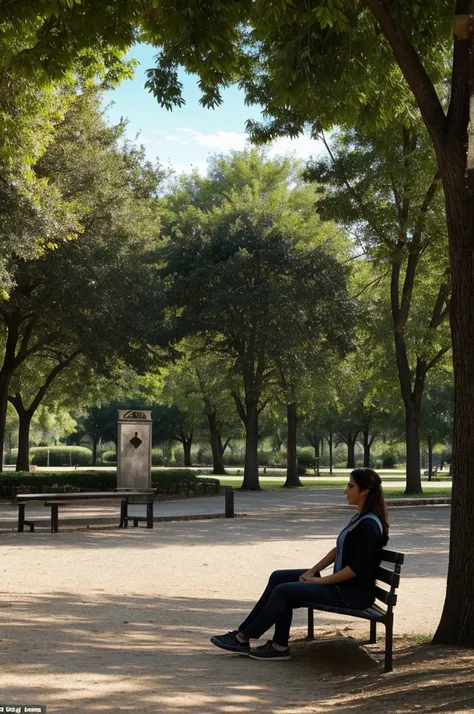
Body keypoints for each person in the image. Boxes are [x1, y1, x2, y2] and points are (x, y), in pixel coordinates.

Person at [210, 467, 389, 661]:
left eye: (350, 485)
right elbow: (338, 550)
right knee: (279, 577)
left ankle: (245, 638)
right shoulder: (360, 518)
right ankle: (265, 642)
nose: (346, 490)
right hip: (342, 588)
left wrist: (321, 582)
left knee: (283, 591)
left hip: (351, 595)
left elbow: (357, 569)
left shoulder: (369, 525)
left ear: (364, 491)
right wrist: (312, 572)